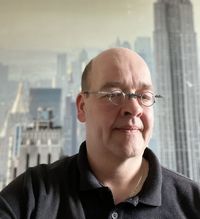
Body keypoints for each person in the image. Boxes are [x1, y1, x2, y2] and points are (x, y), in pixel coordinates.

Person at [0, 47, 200, 219]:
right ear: (81, 107)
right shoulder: (33, 194)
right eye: (114, 94)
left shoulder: (192, 202)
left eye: (144, 96)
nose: (134, 108)